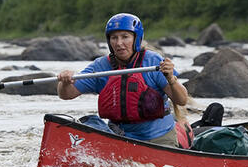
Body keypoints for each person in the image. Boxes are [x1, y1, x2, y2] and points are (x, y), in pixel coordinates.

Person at [57, 13, 190, 147]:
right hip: (119, 137)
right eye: (114, 38)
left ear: (136, 39)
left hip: (158, 137)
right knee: (89, 123)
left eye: (125, 37)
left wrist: (171, 79)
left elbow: (182, 100)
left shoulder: (153, 61)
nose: (119, 43)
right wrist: (65, 82)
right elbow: (66, 94)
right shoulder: (101, 66)